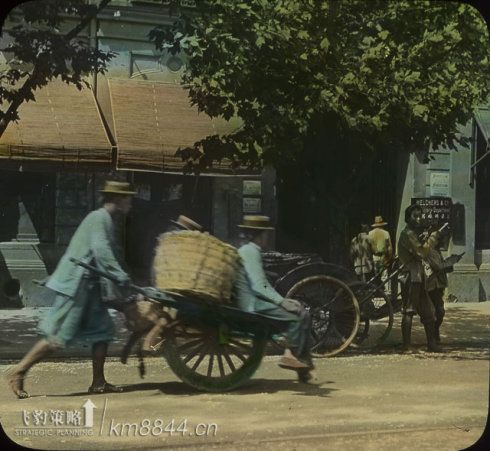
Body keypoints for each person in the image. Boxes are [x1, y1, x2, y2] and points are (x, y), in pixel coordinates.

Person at [6, 181, 136, 398]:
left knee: (102, 332)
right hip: (77, 284)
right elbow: (101, 251)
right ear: (118, 199)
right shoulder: (99, 218)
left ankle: (98, 382)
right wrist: (120, 276)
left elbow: (103, 255)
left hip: (91, 287)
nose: (131, 203)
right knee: (59, 336)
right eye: (128, 198)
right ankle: (18, 372)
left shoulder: (106, 220)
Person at [233, 215, 314, 383]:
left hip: (251, 301)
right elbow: (259, 285)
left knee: (302, 313)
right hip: (252, 304)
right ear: (262, 235)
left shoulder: (246, 250)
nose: (267, 238)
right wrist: (282, 302)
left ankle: (303, 367)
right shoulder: (251, 251)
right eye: (266, 235)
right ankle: (290, 355)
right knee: (297, 316)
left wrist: (282, 300)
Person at [397, 204, 441, 353]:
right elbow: (421, 253)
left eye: (419, 215)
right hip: (410, 276)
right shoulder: (407, 234)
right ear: (408, 218)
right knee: (409, 310)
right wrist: (432, 239)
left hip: (418, 277)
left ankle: (432, 344)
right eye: (415, 216)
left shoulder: (413, 234)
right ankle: (406, 346)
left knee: (428, 311)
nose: (418, 218)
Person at [368, 215, 394, 291]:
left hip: (374, 256)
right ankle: (385, 292)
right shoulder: (386, 233)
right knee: (384, 275)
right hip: (384, 256)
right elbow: (389, 247)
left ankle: (376, 291)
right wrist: (390, 257)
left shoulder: (370, 233)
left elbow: (368, 246)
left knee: (375, 275)